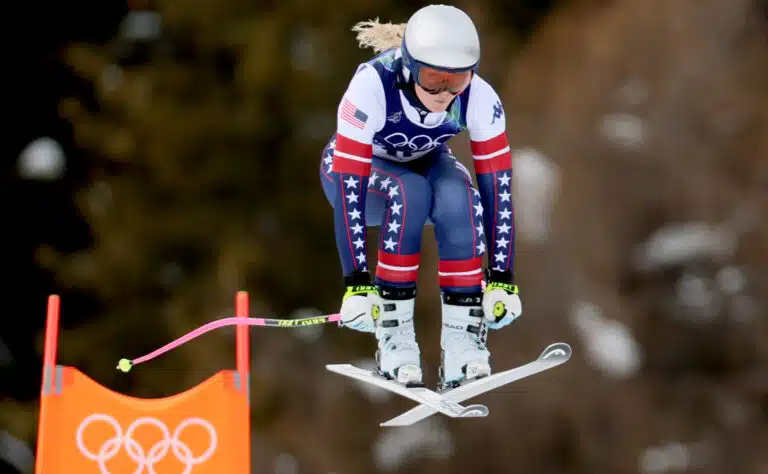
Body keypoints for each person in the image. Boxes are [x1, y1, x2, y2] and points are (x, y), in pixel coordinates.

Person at [319, 4, 522, 391]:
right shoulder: (372, 85)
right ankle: (395, 338)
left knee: (458, 194)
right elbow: (349, 187)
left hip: (425, 164)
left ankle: (463, 342)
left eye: (457, 81)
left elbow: (498, 187)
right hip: (359, 178)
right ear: (409, 66)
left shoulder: (479, 97)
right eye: (432, 79)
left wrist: (502, 279)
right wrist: (357, 284)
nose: (444, 93)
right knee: (408, 191)